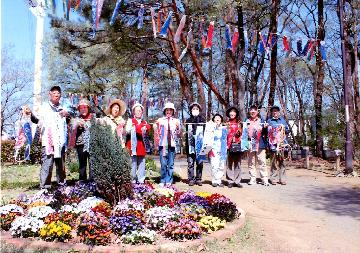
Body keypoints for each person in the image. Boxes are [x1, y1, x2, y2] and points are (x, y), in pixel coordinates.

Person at [38, 86, 70, 189]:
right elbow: (38, 121)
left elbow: (69, 123)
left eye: (58, 93)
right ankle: (45, 188)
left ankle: (62, 187)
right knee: (47, 164)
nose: (56, 95)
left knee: (61, 165)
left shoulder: (63, 108)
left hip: (60, 142)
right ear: (50, 94)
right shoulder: (44, 107)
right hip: (49, 142)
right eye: (54, 93)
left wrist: (67, 116)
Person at [154, 102, 181, 187]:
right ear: (165, 111)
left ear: (173, 111)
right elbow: (156, 132)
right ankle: (163, 180)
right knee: (163, 163)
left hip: (172, 145)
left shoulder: (176, 121)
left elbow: (179, 134)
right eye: (167, 110)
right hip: (163, 145)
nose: (168, 112)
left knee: (171, 164)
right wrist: (156, 126)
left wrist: (178, 127)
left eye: (170, 110)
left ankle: (169, 180)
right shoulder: (160, 120)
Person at [243, 105, 269, 186]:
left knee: (262, 162)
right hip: (250, 144)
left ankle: (264, 179)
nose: (253, 111)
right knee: (251, 162)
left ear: (257, 112)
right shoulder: (246, 121)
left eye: (254, 110)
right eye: (251, 110)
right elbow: (244, 134)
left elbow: (267, 133)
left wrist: (265, 128)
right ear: (249, 112)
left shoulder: (262, 120)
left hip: (260, 144)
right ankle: (252, 178)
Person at [125, 103, 151, 184]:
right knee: (132, 163)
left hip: (141, 146)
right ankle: (132, 180)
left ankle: (141, 180)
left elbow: (147, 131)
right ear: (134, 112)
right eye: (137, 111)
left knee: (141, 163)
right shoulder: (130, 121)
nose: (139, 112)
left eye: (140, 111)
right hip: (132, 146)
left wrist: (143, 128)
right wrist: (136, 128)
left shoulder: (144, 122)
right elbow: (127, 131)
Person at [69, 99, 93, 182]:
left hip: (92, 144)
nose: (83, 109)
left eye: (85, 107)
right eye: (81, 108)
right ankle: (82, 182)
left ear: (88, 108)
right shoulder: (76, 119)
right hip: (81, 144)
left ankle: (92, 181)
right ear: (79, 110)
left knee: (92, 163)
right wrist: (77, 125)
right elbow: (71, 129)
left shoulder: (93, 118)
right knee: (82, 164)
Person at [266, 105, 290, 185]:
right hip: (273, 145)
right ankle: (273, 178)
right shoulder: (269, 121)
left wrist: (283, 128)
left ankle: (282, 179)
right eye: (273, 111)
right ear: (272, 112)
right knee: (273, 162)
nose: (275, 112)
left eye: (276, 111)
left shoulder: (283, 120)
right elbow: (267, 132)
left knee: (282, 162)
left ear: (278, 112)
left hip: (282, 144)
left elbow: (287, 131)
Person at [185, 102, 206, 186]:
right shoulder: (188, 120)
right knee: (190, 163)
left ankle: (198, 179)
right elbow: (186, 133)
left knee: (200, 162)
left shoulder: (203, 120)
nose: (195, 110)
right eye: (193, 109)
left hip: (200, 145)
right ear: (190, 110)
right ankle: (191, 179)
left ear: (199, 110)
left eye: (197, 109)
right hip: (190, 145)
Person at [208, 113, 228, 187]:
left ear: (221, 120)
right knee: (214, 165)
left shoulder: (224, 128)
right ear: (213, 120)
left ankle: (219, 180)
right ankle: (214, 180)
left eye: (219, 118)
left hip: (222, 149)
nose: (217, 119)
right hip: (213, 149)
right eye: (216, 118)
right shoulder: (210, 128)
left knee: (221, 165)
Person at [225, 106, 243, 188]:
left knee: (238, 163)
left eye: (234, 112)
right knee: (229, 163)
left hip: (238, 145)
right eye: (230, 112)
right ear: (228, 114)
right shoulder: (226, 123)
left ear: (236, 114)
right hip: (228, 146)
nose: (232, 113)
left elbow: (244, 134)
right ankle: (230, 180)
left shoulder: (240, 123)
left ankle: (237, 181)